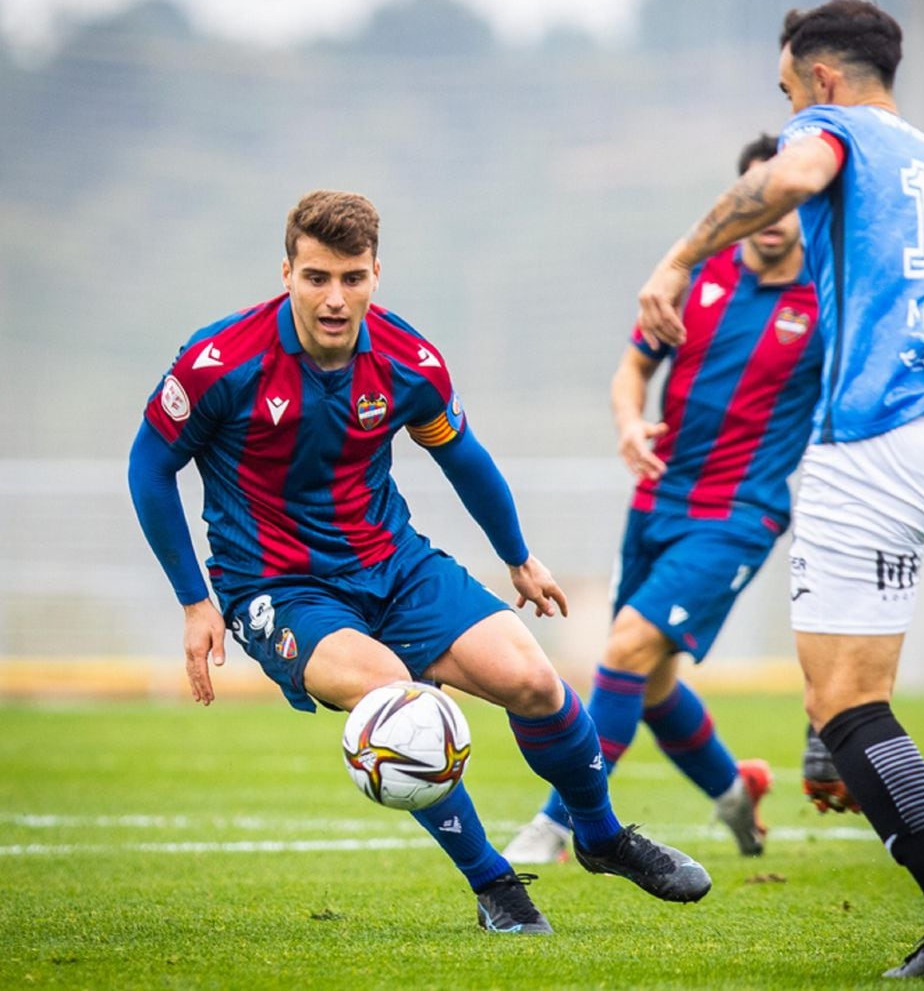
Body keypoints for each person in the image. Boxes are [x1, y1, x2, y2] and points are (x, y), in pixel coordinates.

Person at [128, 190, 711, 937]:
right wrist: (194, 599)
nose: (334, 298)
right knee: (391, 698)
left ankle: (599, 835)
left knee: (535, 680)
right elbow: (150, 466)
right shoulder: (220, 363)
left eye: (352, 278)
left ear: (376, 274)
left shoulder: (409, 360)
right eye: (316, 278)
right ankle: (497, 885)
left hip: (393, 564)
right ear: (286, 274)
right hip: (278, 587)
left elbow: (462, 455)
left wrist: (518, 556)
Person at [635, 0, 924, 978]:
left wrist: (679, 260)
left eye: (787, 88)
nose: (790, 105)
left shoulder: (830, 128)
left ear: (824, 80)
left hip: (882, 432)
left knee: (850, 704)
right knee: (851, 696)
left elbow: (795, 172)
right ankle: (826, 750)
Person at [503, 134, 823, 866]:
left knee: (623, 650)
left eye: (787, 199)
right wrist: (627, 421)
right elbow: (630, 368)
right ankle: (735, 788)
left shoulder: (826, 302)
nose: (771, 214)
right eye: (759, 197)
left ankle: (562, 827)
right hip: (657, 500)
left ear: (806, 206)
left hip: (739, 514)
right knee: (649, 684)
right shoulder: (697, 275)